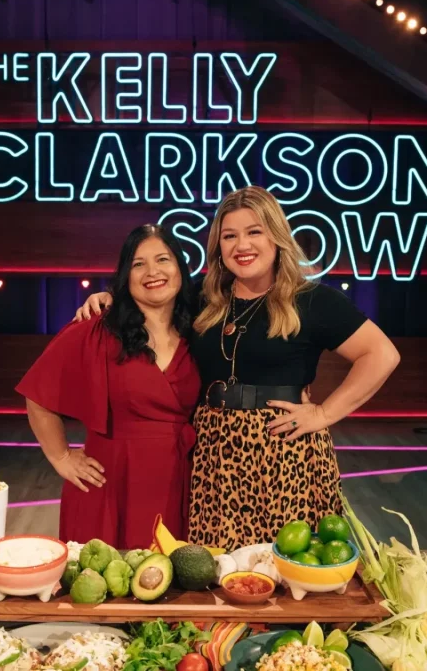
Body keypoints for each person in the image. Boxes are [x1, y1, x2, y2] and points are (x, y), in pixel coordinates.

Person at [74, 186, 400, 550]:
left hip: (284, 452)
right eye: (230, 236)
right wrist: (109, 298)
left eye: (254, 232)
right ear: (218, 246)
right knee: (217, 567)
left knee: (284, 563)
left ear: (276, 236)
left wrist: (324, 412)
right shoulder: (204, 298)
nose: (241, 245)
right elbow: (152, 294)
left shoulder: (312, 300)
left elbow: (381, 355)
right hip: (213, 453)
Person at [16, 224, 201, 548]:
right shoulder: (97, 328)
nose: (152, 272)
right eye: (138, 264)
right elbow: (38, 395)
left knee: (172, 586)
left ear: (180, 268)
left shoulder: (200, 329)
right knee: (104, 589)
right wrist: (61, 457)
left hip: (180, 482)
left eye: (163, 259)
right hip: (110, 485)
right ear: (125, 276)